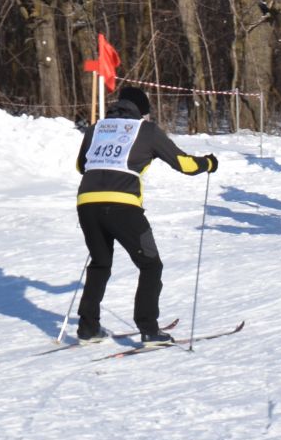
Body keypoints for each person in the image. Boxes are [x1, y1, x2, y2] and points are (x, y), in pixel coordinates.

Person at [72, 84, 216, 344]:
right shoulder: (145, 130)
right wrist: (208, 163)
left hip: (87, 203)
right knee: (150, 265)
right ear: (142, 112)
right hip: (123, 206)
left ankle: (88, 327)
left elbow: (81, 165)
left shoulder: (96, 128)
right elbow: (184, 164)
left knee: (100, 263)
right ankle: (149, 329)